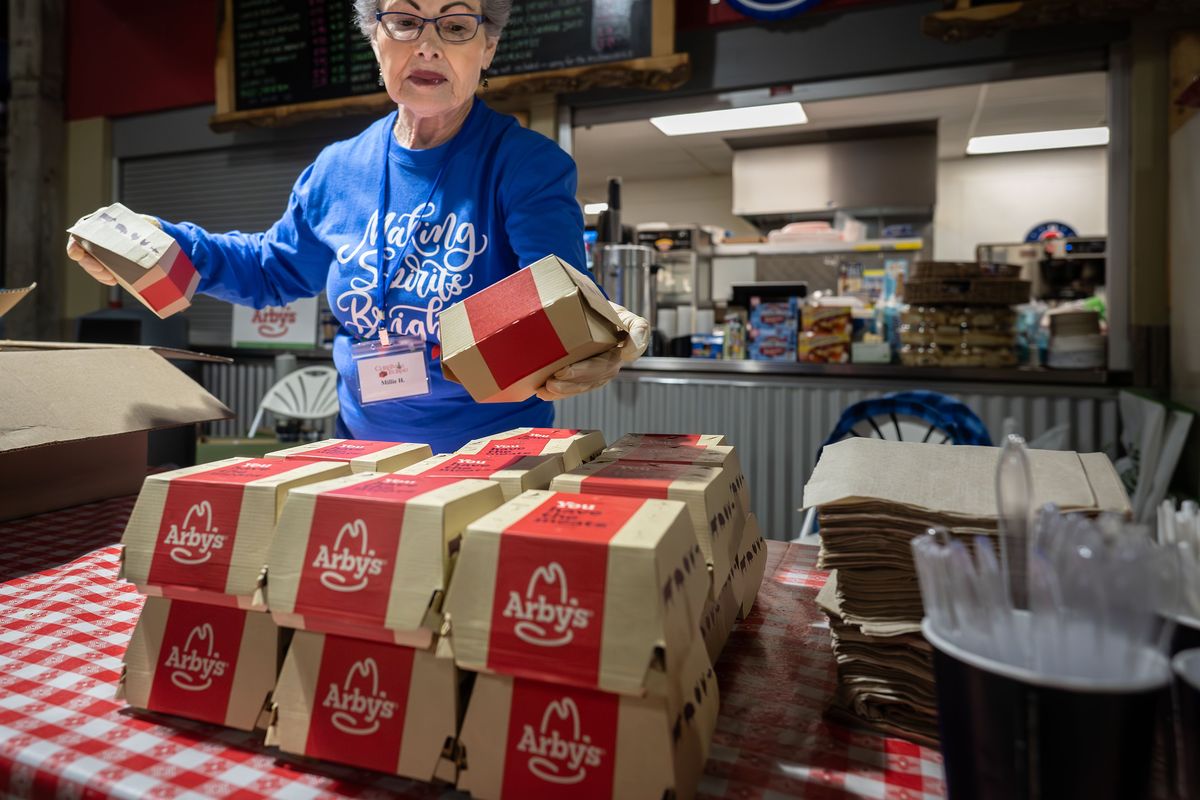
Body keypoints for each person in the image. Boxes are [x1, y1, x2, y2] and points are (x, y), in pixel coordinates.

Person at [67, 0, 649, 454]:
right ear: (374, 37)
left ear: (488, 47)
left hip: (496, 459)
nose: (426, 45)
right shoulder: (337, 170)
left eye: (455, 27)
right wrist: (165, 245)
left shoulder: (525, 165)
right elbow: (271, 269)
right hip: (365, 452)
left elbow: (561, 295)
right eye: (403, 22)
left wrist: (604, 335)